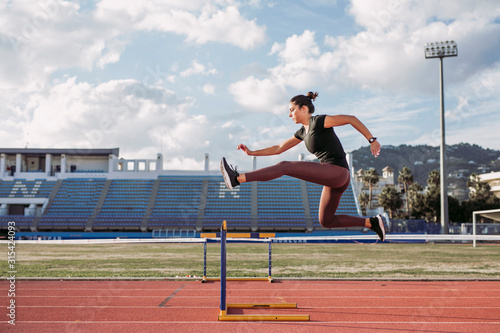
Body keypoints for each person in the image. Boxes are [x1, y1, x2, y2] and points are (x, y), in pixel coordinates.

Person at [221, 92, 386, 241]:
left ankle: (237, 179)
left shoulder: (319, 121)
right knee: (326, 220)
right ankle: (371, 222)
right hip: (333, 178)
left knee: (285, 166)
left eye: (292, 110)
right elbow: (279, 148)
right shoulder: (302, 132)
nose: (289, 114)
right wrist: (251, 153)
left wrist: (371, 140)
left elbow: (351, 119)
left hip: (337, 172)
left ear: (303, 108)